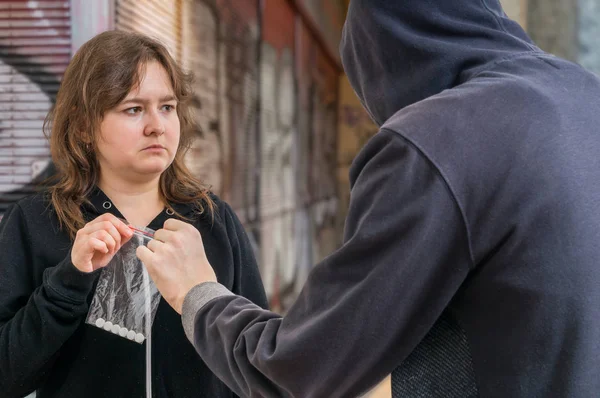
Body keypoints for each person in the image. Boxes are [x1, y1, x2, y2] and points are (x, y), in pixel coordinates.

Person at [139, 0, 600, 397]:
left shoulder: (439, 139)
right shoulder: (583, 95)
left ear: (382, 57)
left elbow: (301, 375)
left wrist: (197, 293)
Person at [0, 30, 267, 398]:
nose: (157, 125)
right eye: (134, 109)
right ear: (83, 126)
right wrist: (68, 282)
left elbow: (258, 365)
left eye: (167, 107)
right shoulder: (35, 223)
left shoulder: (213, 221)